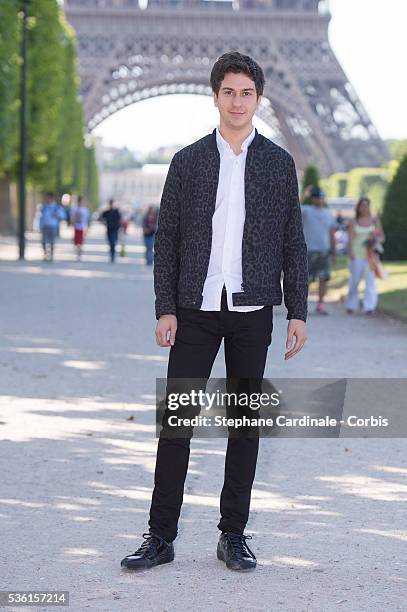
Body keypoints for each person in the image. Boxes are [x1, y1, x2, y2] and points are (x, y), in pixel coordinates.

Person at [120, 52, 308, 573]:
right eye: (229, 91)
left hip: (252, 310)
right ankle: (160, 536)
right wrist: (165, 308)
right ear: (216, 96)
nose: (237, 101)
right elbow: (169, 240)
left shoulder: (277, 163)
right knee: (177, 421)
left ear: (259, 98)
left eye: (246, 92)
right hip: (195, 308)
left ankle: (233, 535)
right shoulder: (188, 161)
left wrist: (299, 310)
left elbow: (293, 240)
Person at [345, 197, 385, 315]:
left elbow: (382, 237)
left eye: (366, 205)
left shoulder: (374, 220)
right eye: (362, 205)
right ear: (358, 207)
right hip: (357, 253)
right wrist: (350, 251)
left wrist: (375, 239)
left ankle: (369, 307)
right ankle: (351, 305)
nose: (364, 208)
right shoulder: (353, 221)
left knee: (370, 280)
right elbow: (350, 238)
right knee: (355, 280)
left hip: (370, 255)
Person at [301, 186, 337, 315]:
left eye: (320, 196)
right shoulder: (307, 210)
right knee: (307, 280)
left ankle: (320, 304)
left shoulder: (328, 213)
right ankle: (302, 305)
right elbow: (293, 208)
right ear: (313, 199)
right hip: (309, 251)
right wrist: (304, 195)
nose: (319, 199)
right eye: (316, 197)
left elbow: (332, 234)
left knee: (324, 279)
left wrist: (334, 252)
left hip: (324, 251)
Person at [39, 192, 65, 262]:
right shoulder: (44, 207)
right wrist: (40, 226)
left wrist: (57, 215)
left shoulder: (57, 207)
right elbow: (41, 217)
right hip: (45, 226)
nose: (48, 200)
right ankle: (45, 254)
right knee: (44, 241)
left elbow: (63, 216)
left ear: (52, 198)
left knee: (52, 242)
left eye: (49, 198)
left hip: (53, 226)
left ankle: (51, 255)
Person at [70, 195, 90, 260]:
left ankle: (79, 252)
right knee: (76, 242)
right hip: (76, 227)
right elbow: (72, 218)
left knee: (80, 241)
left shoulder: (85, 210)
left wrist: (87, 228)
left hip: (82, 228)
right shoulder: (74, 209)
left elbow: (87, 220)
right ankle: (79, 250)